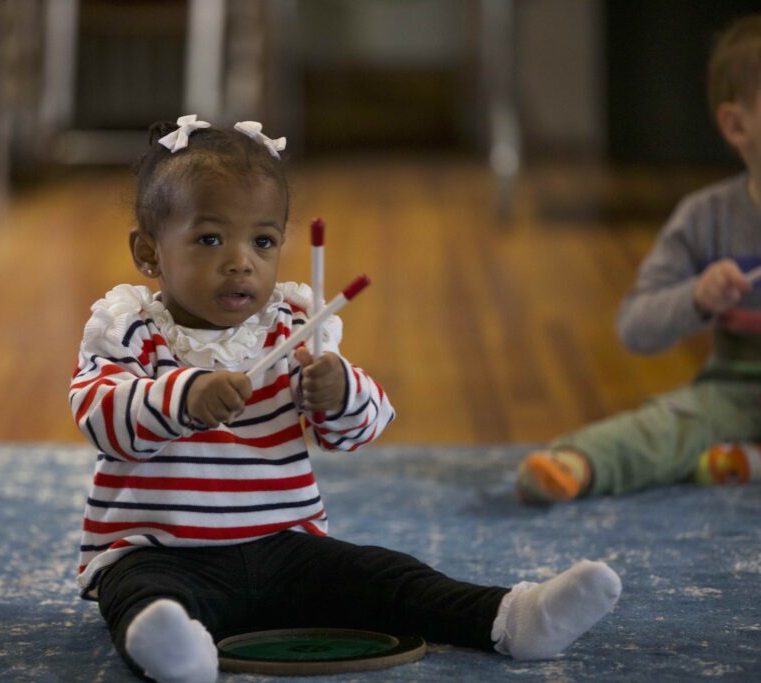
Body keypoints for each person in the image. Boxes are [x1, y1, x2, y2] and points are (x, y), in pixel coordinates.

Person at [70, 115, 621, 682]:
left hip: (284, 548)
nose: (242, 261)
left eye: (262, 241)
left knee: (385, 575)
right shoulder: (128, 327)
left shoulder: (293, 328)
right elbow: (99, 416)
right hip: (158, 552)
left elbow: (358, 431)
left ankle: (510, 618)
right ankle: (175, 651)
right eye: (210, 238)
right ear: (149, 253)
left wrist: (339, 393)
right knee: (141, 595)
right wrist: (183, 398)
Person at [517, 14, 761, 506]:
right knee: (669, 423)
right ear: (737, 125)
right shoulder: (706, 217)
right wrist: (697, 296)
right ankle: (580, 463)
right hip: (734, 393)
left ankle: (744, 461)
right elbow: (635, 327)